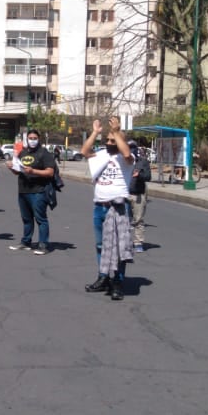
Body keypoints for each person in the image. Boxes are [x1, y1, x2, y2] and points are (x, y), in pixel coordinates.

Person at [80, 117, 135, 301]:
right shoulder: (101, 155)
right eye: (108, 140)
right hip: (99, 206)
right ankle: (103, 277)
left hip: (118, 207)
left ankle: (117, 282)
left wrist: (117, 131)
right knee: (100, 246)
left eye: (113, 140)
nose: (110, 143)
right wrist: (95, 132)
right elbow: (84, 151)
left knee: (119, 248)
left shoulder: (126, 158)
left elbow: (126, 153)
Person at [6, 129, 55, 253]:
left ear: (39, 139)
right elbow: (18, 171)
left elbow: (50, 172)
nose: (32, 140)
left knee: (40, 219)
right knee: (26, 219)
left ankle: (43, 244)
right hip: (23, 191)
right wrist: (12, 168)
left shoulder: (44, 153)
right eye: (30, 138)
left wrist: (33, 171)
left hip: (38, 191)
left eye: (34, 138)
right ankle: (26, 242)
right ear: (26, 139)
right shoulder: (23, 152)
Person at [128, 140, 150, 253]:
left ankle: (138, 242)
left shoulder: (143, 162)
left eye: (133, 147)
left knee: (138, 219)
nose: (131, 149)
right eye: (129, 147)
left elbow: (148, 176)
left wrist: (139, 175)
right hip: (125, 194)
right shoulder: (124, 161)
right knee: (124, 220)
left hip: (138, 194)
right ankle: (125, 241)